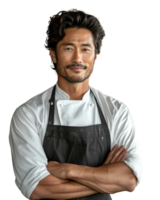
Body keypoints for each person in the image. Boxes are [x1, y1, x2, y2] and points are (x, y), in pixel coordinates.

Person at [7, 8, 143, 200]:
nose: (77, 58)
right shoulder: (28, 114)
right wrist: (105, 175)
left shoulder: (118, 111)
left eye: (85, 49)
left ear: (96, 55)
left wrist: (67, 170)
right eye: (68, 48)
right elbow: (38, 188)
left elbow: (129, 180)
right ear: (53, 54)